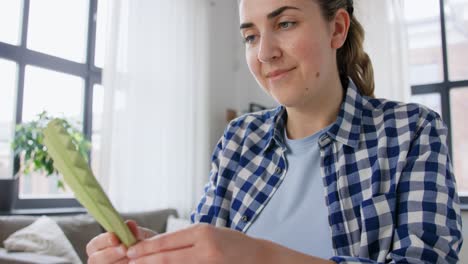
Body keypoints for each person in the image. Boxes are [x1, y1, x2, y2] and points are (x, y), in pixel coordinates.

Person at [86, 0, 463, 263]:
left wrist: (258, 256)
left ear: (337, 28)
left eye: (284, 24)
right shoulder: (238, 140)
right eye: (250, 36)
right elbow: (207, 250)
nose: (264, 53)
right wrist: (152, 254)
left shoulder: (412, 131)